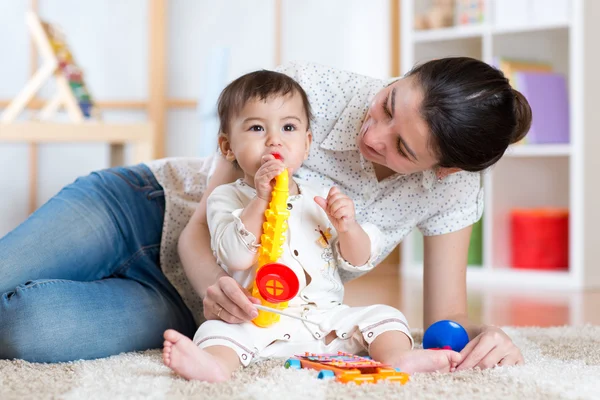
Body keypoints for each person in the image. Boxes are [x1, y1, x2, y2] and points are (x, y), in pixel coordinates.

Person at [0, 57, 531, 370]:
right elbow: (200, 230)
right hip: (143, 208)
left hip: (187, 307)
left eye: (403, 148)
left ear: (442, 170)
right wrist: (216, 288)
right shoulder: (312, 91)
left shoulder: (453, 193)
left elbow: (447, 317)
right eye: (389, 104)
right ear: (403, 76)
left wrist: (484, 337)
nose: (373, 135)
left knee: (23, 329)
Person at [162, 70, 462, 382]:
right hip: (257, 320)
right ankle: (215, 368)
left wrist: (348, 228)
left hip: (325, 320)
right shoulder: (226, 198)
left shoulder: (318, 199)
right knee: (214, 332)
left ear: (306, 145)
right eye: (256, 128)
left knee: (386, 316)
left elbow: (359, 257)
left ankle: (399, 358)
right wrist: (260, 201)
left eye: (288, 127)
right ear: (227, 147)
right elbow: (236, 256)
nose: (274, 139)